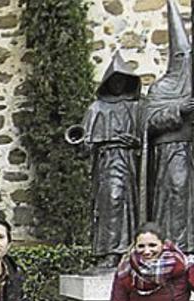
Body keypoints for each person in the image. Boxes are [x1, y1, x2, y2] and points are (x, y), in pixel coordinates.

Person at [75, 51, 141, 269]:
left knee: (129, 205)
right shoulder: (96, 109)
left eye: (123, 80)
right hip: (106, 162)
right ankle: (109, 251)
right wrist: (81, 143)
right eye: (115, 80)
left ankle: (129, 251)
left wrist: (134, 141)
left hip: (130, 161)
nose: (119, 84)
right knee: (110, 202)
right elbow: (84, 145)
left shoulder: (136, 107)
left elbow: (147, 138)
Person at [142, 0, 194, 254]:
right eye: (180, 56)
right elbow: (148, 122)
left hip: (190, 150)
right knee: (175, 191)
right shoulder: (161, 87)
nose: (185, 61)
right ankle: (175, 246)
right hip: (170, 150)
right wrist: (178, 110)